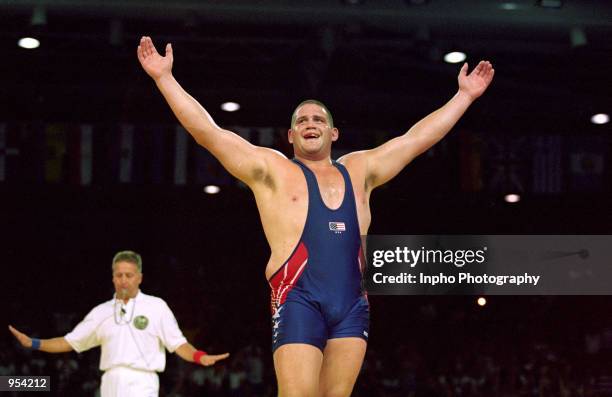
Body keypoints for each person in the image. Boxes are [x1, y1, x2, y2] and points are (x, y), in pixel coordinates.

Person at [136, 36, 494, 397]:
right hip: (297, 297)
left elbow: (416, 139)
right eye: (302, 120)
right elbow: (208, 133)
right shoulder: (272, 170)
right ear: (290, 135)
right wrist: (164, 78)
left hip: (352, 303)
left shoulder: (360, 170)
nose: (311, 123)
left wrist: (464, 96)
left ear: (333, 132)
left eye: (319, 119)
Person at [8, 250, 229, 397]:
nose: (124, 279)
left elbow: (177, 343)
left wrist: (200, 356)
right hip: (111, 381)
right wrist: (34, 343)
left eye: (129, 275)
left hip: (142, 381)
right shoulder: (101, 312)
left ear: (140, 277)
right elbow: (70, 342)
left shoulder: (156, 306)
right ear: (113, 277)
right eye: (119, 275)